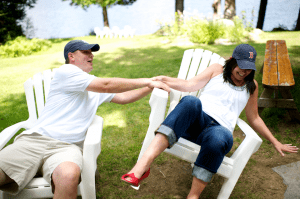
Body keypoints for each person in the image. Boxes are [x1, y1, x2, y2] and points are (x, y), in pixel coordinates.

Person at [121, 44, 299, 199]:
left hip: (217, 132)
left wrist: (275, 142)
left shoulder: (252, 85)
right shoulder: (216, 69)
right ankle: (142, 166)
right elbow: (189, 85)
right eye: (240, 67)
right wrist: (161, 80)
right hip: (195, 122)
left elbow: (254, 118)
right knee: (191, 101)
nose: (244, 72)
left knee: (221, 136)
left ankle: (193, 195)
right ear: (232, 60)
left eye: (248, 69)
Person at [0, 40, 169, 199]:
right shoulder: (66, 72)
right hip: (35, 141)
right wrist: (146, 81)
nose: (91, 55)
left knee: (68, 175)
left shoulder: (91, 84)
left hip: (67, 148)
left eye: (92, 52)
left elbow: (124, 97)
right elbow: (106, 85)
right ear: (71, 57)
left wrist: (150, 86)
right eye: (86, 52)